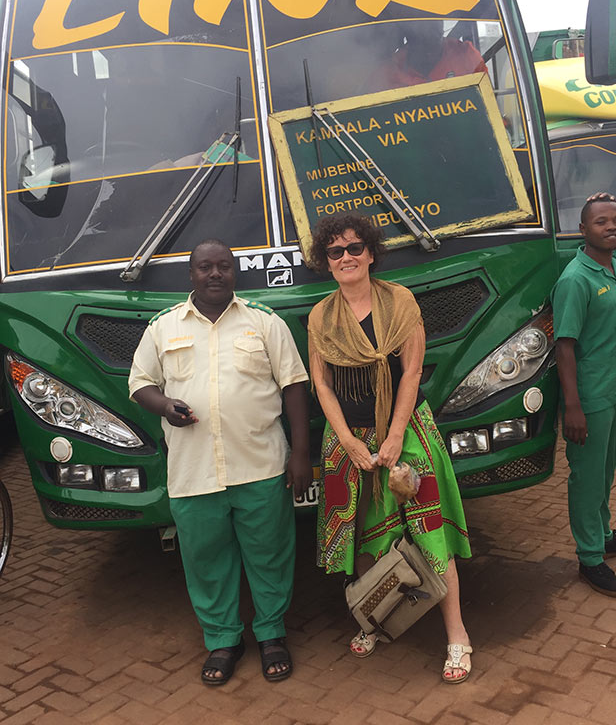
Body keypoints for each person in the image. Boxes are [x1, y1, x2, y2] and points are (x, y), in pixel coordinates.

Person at [128, 239, 311, 685]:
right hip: (194, 472)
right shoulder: (162, 326)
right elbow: (140, 384)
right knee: (206, 559)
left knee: (270, 555)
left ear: (234, 272)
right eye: (205, 267)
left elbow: (294, 387)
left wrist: (302, 454)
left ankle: (271, 634)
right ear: (190, 275)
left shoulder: (265, 322)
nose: (215, 274)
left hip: (261, 465)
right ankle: (223, 640)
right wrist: (165, 405)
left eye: (223, 267)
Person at [307, 214, 472, 683]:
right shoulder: (321, 316)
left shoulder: (400, 302)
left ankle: (457, 636)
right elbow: (321, 382)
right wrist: (346, 439)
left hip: (407, 431)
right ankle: (372, 618)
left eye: (354, 248)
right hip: (350, 439)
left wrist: (396, 434)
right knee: (364, 538)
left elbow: (413, 373)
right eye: (335, 252)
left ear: (371, 252)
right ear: (327, 260)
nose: (346, 258)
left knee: (430, 532)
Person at [551, 192, 616, 597]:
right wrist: (573, 408)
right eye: (602, 222)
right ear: (582, 231)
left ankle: (603, 534)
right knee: (587, 478)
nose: (613, 227)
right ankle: (590, 558)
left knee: (606, 471)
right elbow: (564, 347)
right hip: (590, 399)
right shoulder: (576, 279)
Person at [366, 20, 486, 94]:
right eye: (421, 40)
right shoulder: (386, 73)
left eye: (434, 37)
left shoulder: (466, 56)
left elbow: (489, 101)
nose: (429, 50)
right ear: (408, 39)